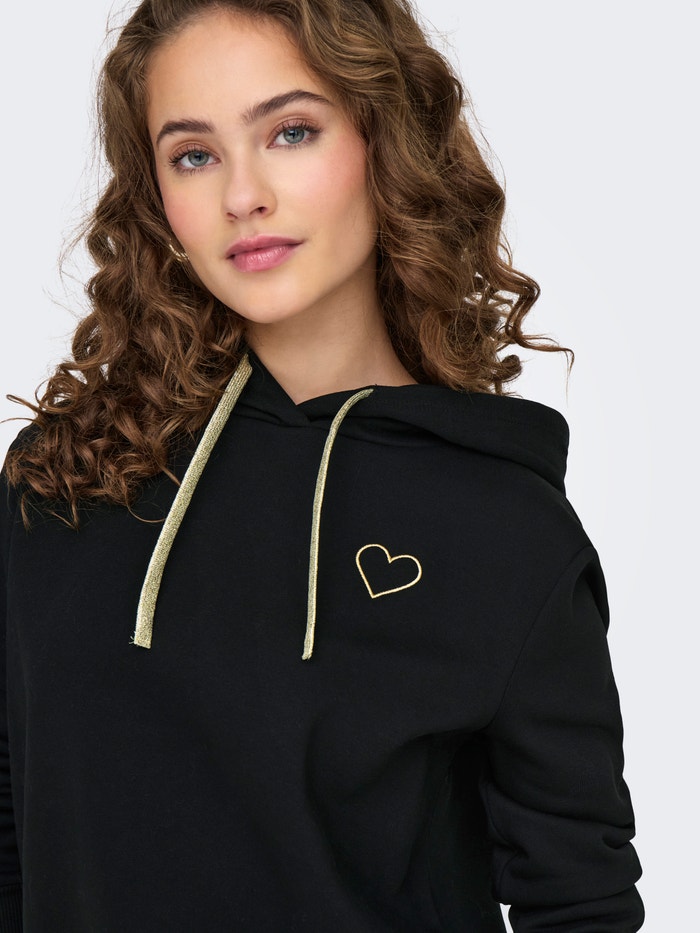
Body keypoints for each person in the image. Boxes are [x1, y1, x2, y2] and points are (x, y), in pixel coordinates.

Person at [0, 0, 644, 929]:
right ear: (157, 196)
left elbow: (580, 902)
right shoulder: (67, 476)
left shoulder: (502, 525)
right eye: (194, 154)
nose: (243, 195)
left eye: (291, 132)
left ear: (385, 140)